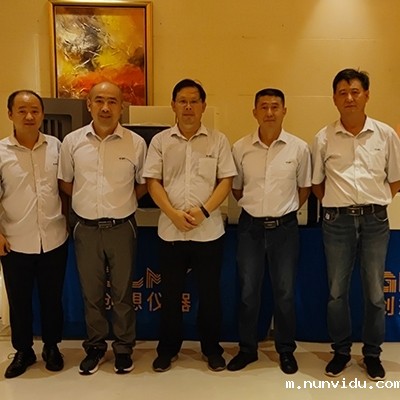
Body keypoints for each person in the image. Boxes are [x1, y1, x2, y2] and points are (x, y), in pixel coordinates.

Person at [312, 68, 400, 381]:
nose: (349, 98)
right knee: (337, 291)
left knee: (375, 291)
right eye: (342, 92)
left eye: (355, 91)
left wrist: (374, 204)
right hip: (337, 222)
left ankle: (372, 354)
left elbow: (395, 179)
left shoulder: (385, 135)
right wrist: (340, 204)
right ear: (334, 99)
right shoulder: (323, 138)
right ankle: (341, 351)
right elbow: (317, 185)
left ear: (366, 95)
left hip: (375, 220)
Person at [143, 79, 237, 372]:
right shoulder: (160, 141)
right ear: (173, 105)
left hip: (208, 232)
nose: (188, 107)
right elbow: (152, 181)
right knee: (170, 296)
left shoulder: (218, 140)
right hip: (170, 231)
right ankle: (167, 349)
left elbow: (226, 180)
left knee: (210, 296)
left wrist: (204, 212)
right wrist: (172, 213)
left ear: (203, 106)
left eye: (194, 101)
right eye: (182, 101)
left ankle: (212, 349)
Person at [58, 81, 147, 375]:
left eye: (112, 101)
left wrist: (121, 202)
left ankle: (123, 348)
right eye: (99, 101)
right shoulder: (72, 142)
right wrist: (87, 202)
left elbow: (143, 184)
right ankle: (95, 347)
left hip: (122, 228)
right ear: (89, 105)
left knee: (123, 293)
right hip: (86, 228)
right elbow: (66, 182)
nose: (105, 107)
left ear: (122, 106)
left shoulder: (136, 143)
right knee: (91, 293)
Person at [228, 88, 311, 374]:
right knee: (248, 291)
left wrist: (282, 210)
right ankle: (247, 349)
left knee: (284, 292)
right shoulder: (240, 148)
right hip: (250, 227)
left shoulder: (299, 148)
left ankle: (285, 350)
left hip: (284, 228)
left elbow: (304, 189)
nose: (270, 112)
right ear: (254, 112)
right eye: (263, 107)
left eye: (275, 106)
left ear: (284, 110)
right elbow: (237, 189)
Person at [1, 90, 68, 378]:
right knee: (19, 301)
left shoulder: (56, 147)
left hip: (54, 237)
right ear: (10, 114)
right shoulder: (1, 152)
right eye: (22, 110)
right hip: (15, 240)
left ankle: (52, 347)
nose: (29, 116)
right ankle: (23, 351)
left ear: (42, 114)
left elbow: (65, 188)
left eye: (35, 111)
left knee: (52, 298)